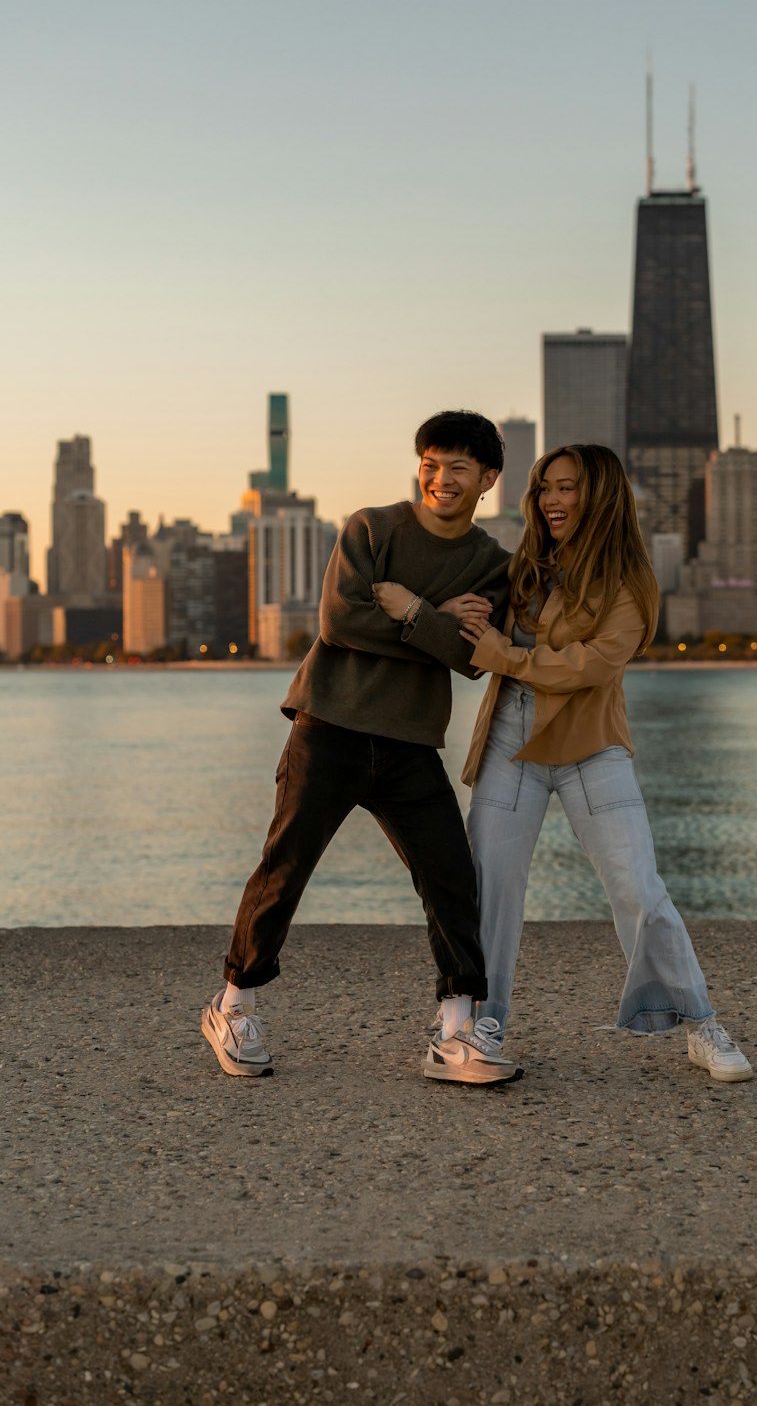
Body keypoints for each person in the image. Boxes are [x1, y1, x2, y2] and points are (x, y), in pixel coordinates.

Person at [201, 410, 520, 1086]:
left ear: (488, 478)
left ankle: (455, 1029)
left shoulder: (492, 564)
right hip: (329, 725)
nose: (441, 478)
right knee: (285, 868)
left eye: (458, 467)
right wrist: (436, 621)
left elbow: (471, 658)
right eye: (431, 463)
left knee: (451, 878)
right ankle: (234, 1005)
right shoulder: (371, 527)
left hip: (410, 742)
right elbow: (340, 620)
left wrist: (407, 607)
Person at [457, 443, 753, 1082]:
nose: (553, 501)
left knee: (640, 889)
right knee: (492, 892)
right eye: (544, 489)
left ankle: (700, 1024)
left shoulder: (631, 580)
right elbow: (475, 625)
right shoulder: (522, 568)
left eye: (567, 488)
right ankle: (484, 1023)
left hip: (593, 747)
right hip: (511, 743)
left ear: (602, 495)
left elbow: (592, 664)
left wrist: (505, 656)